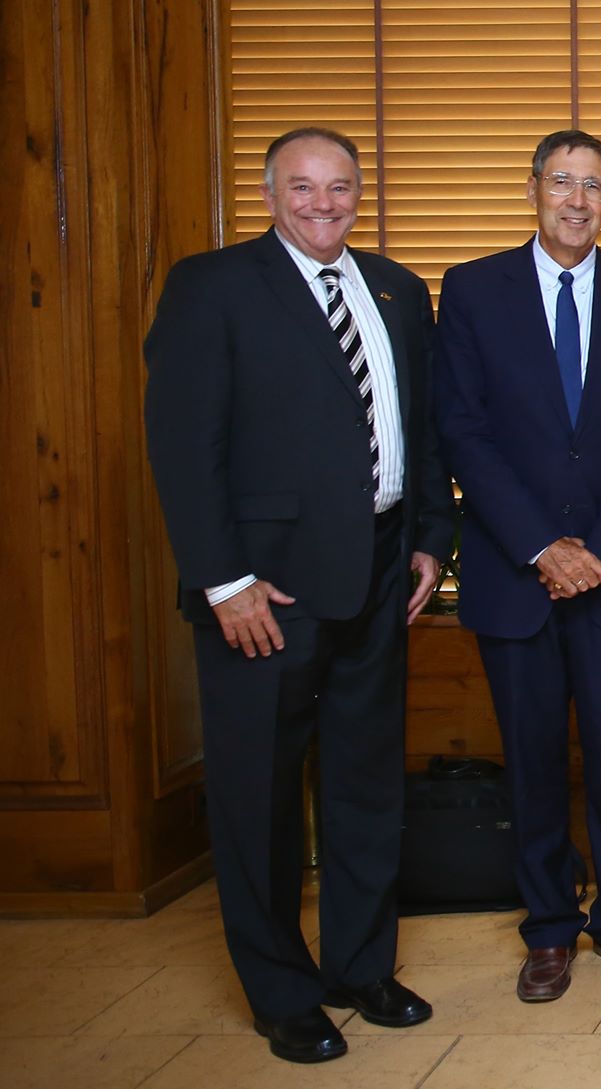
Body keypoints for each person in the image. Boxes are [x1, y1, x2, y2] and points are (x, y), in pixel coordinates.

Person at [142, 127, 455, 1065]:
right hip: (265, 590)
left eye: (340, 186)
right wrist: (223, 579)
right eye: (304, 187)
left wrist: (431, 538)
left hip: (381, 573)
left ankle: (361, 966)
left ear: (360, 192)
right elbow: (182, 444)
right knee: (261, 797)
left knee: (365, 784)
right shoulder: (213, 287)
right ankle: (282, 992)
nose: (324, 203)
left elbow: (420, 427)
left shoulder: (395, 288)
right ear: (270, 192)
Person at [434, 130, 601, 1002]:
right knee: (532, 761)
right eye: (562, 181)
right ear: (534, 188)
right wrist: (544, 546)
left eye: (594, 185)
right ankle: (547, 929)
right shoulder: (473, 290)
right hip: (517, 575)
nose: (577, 200)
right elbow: (461, 429)